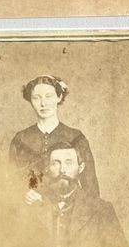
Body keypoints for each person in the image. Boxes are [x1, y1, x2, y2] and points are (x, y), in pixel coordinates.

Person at [10, 142, 129, 247]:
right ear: (47, 169)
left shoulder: (101, 209)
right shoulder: (30, 208)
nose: (62, 170)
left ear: (80, 168)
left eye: (69, 162)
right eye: (55, 163)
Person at [8, 75, 99, 204]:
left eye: (48, 96)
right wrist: (24, 194)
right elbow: (10, 184)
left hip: (68, 211)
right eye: (36, 98)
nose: (43, 103)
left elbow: (91, 188)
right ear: (30, 101)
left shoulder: (76, 138)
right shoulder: (21, 139)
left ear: (59, 97)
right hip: (30, 212)